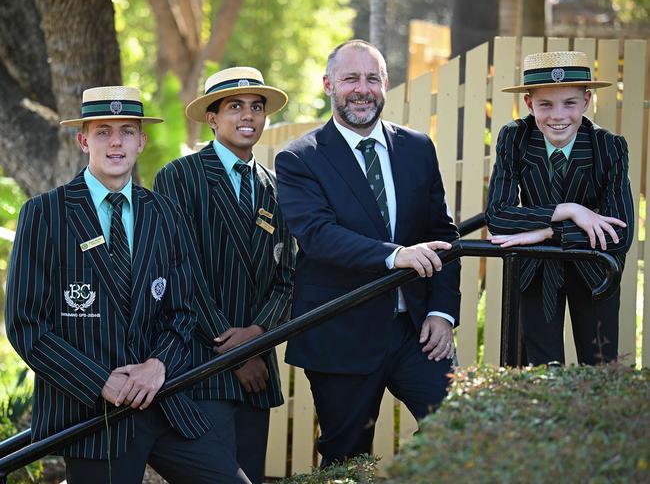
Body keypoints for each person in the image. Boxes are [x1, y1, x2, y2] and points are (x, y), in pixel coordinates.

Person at [5, 86, 249, 483]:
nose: (115, 142)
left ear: (141, 141)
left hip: (165, 404)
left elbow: (183, 312)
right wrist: (100, 380)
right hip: (91, 416)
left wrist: (158, 366)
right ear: (84, 140)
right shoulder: (44, 214)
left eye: (127, 131)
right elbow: (25, 324)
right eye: (103, 131)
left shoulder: (165, 213)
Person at [274, 40, 461, 466]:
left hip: (418, 333)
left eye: (371, 78)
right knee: (346, 458)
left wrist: (442, 313)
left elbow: (442, 236)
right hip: (343, 332)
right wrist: (397, 256)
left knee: (457, 431)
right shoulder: (300, 158)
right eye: (350, 79)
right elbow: (318, 236)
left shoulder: (417, 147)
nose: (362, 89)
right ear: (328, 85)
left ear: (385, 83)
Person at [154, 67, 294, 484]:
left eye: (256, 107)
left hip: (258, 372)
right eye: (235, 106)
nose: (247, 115)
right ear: (212, 118)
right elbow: (177, 273)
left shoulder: (276, 187)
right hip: (201, 367)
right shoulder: (179, 178)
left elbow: (288, 278)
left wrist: (257, 336)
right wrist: (233, 354)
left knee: (250, 474)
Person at [486, 51, 634, 365]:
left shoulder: (609, 147)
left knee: (598, 372)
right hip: (536, 272)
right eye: (545, 105)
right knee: (541, 375)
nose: (558, 116)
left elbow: (620, 233)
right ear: (528, 104)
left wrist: (547, 232)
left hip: (595, 271)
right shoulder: (514, 138)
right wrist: (569, 210)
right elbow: (498, 215)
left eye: (569, 103)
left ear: (587, 101)